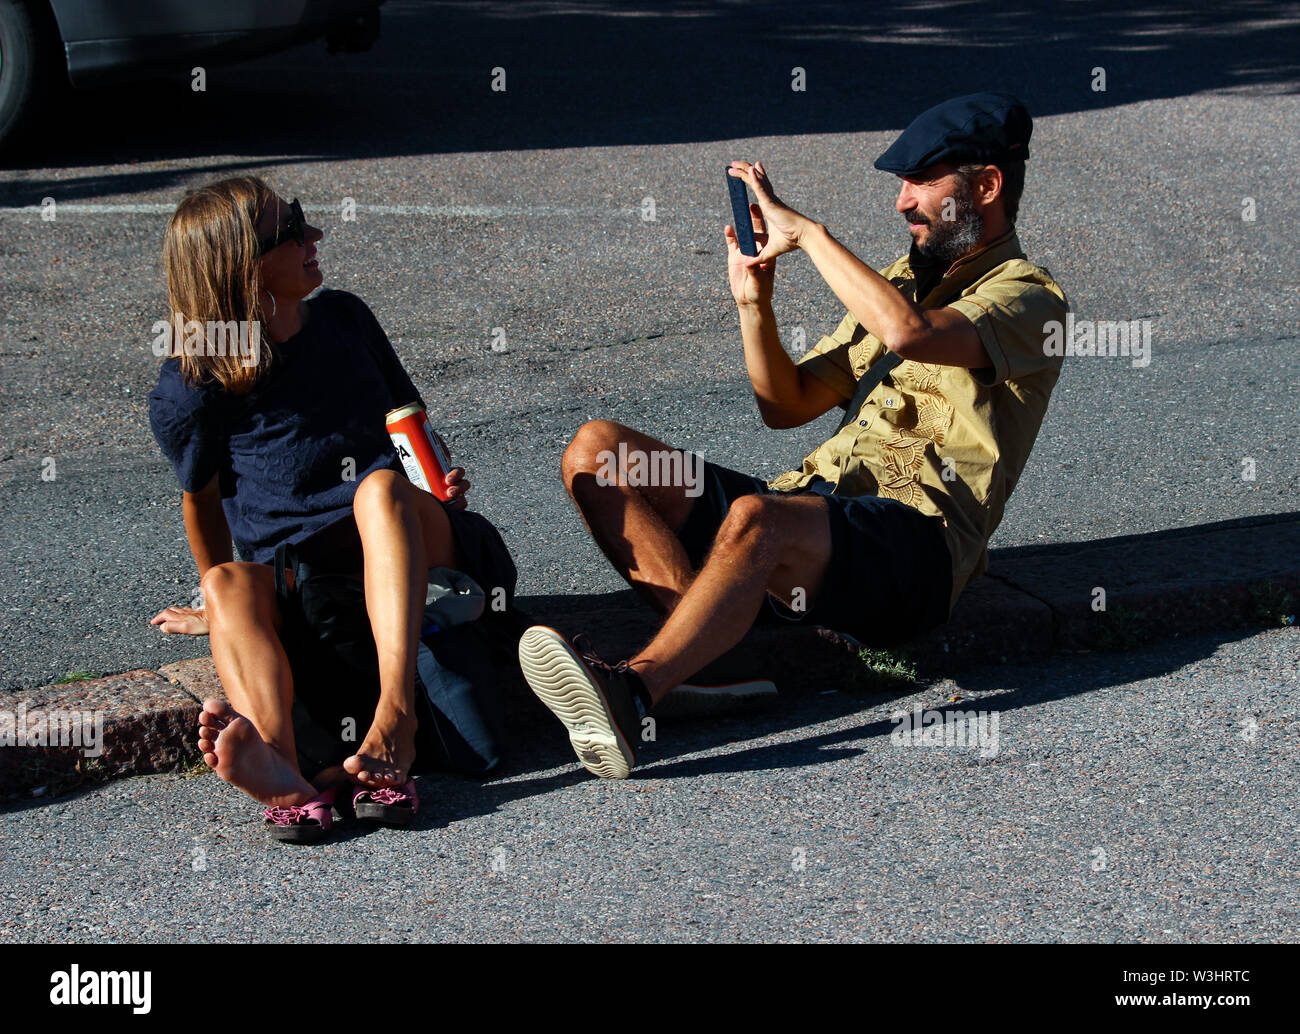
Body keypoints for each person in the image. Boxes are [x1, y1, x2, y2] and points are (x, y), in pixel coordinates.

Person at [517, 93, 1069, 779]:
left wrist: (810, 235)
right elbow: (788, 404)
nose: (901, 202)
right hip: (815, 518)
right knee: (599, 451)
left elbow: (910, 335)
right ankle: (700, 669)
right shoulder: (900, 282)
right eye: (902, 184)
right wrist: (755, 304)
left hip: (914, 551)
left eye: (921, 181)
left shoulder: (1028, 297)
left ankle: (633, 693)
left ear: (985, 186)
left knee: (756, 520)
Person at [148, 176, 515, 838]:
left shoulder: (344, 318)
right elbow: (198, 501)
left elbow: (408, 427)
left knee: (378, 489)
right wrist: (213, 604)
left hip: (409, 541)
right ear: (240, 267)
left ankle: (395, 717)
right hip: (302, 576)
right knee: (229, 581)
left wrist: (432, 485)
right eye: (290, 231)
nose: (313, 237)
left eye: (303, 218)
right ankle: (286, 777)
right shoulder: (194, 384)